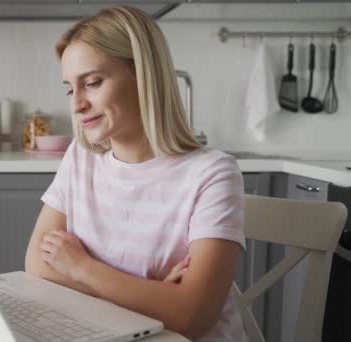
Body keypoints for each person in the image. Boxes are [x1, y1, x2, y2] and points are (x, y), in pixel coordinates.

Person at [24, 5, 246, 342]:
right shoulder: (81, 158)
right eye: (71, 88)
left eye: (93, 83)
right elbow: (37, 265)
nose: (76, 104)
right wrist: (154, 295)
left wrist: (82, 268)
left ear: (144, 76)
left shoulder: (213, 174)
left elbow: (193, 316)